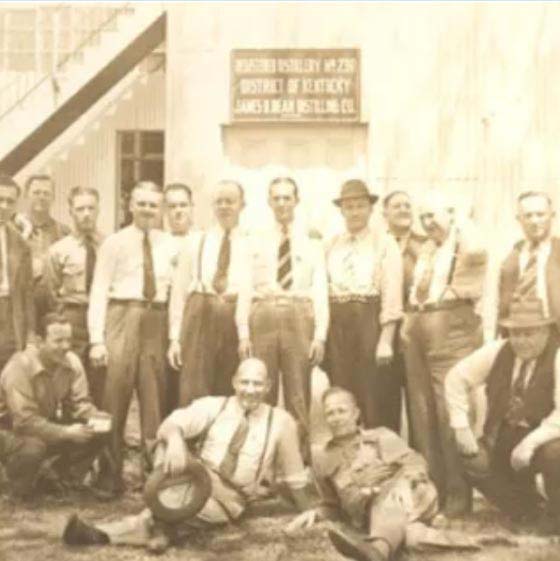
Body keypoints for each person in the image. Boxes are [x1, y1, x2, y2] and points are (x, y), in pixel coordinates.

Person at [62, 358, 310, 552]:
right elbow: (170, 424)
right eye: (245, 382)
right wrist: (176, 440)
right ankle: (162, 530)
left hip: (229, 496)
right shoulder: (215, 405)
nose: (250, 390)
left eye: (257, 384)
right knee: (164, 446)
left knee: (183, 507)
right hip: (197, 476)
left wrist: (309, 510)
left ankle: (105, 533)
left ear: (268, 386)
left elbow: (296, 477)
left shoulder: (281, 421)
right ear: (234, 382)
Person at [287, 386, 484, 561]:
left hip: (414, 495)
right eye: (330, 413)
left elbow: (415, 463)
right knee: (411, 538)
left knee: (390, 497)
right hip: (374, 515)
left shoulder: (380, 435)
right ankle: (480, 543)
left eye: (341, 411)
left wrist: (404, 484)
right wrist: (316, 512)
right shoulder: (323, 458)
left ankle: (376, 552)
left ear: (356, 413)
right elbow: (333, 505)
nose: (336, 418)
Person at [88, 180, 177, 494]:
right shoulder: (114, 242)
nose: (148, 210)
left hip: (156, 319)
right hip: (122, 315)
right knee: (115, 395)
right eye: (142, 203)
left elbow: (175, 293)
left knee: (154, 398)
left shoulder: (169, 244)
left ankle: (153, 477)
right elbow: (99, 289)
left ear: (160, 208)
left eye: (153, 205)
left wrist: (175, 335)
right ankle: (109, 475)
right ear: (130, 205)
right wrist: (97, 338)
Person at [403, 192, 487, 516]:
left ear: (450, 214)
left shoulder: (465, 241)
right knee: (421, 410)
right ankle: (432, 489)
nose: (427, 223)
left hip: (451, 321)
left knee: (448, 407)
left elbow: (478, 250)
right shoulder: (428, 248)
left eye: (433, 216)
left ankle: (458, 492)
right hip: (419, 321)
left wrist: (460, 217)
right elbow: (418, 289)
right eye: (422, 217)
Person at [446, 296, 560, 530]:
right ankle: (524, 510)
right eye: (515, 333)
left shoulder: (558, 357)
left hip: (542, 438)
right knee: (467, 454)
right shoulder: (498, 351)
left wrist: (528, 444)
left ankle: (556, 516)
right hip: (501, 437)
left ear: (546, 331)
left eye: (529, 333)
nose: (521, 341)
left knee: (554, 453)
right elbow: (455, 378)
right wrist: (461, 426)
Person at [247, 177, 328, 454]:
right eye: (276, 198)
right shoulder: (255, 238)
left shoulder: (311, 240)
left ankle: (299, 463)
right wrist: (243, 333)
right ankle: (261, 460)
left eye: (287, 198)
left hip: (298, 315)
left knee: (297, 393)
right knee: (260, 388)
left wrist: (320, 335)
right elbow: (246, 287)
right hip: (265, 315)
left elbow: (320, 289)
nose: (282, 203)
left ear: (296, 200)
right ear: (269, 202)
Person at [0, 313, 110, 498]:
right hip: (9, 431)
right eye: (58, 341)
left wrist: (98, 419)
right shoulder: (20, 366)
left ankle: (57, 478)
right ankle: (18, 488)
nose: (65, 347)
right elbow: (24, 422)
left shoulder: (71, 361)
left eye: (69, 340)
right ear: (39, 340)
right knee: (33, 448)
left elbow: (80, 403)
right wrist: (66, 432)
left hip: (43, 425)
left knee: (101, 429)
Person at [323, 180, 403, 429]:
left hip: (370, 322)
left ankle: (379, 458)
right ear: (342, 211)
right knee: (343, 392)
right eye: (349, 206)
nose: (355, 211)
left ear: (370, 209)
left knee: (374, 394)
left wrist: (386, 339)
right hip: (338, 324)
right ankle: (348, 458)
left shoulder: (384, 242)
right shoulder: (332, 244)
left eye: (360, 206)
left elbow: (392, 291)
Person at [168, 180, 251, 407]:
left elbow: (248, 289)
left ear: (242, 205)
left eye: (230, 201)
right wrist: (175, 337)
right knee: (194, 386)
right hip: (199, 314)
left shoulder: (249, 242)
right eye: (219, 202)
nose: (224, 207)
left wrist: (244, 334)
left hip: (231, 316)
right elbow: (179, 292)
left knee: (228, 385)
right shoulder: (196, 240)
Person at [45, 186, 105, 406]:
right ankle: (71, 434)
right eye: (80, 208)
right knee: (71, 374)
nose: (86, 213)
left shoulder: (109, 245)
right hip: (74, 317)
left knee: (102, 376)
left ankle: (100, 435)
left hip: (104, 319)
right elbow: (51, 294)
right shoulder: (59, 250)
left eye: (91, 207)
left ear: (98, 210)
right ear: (70, 210)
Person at [382, 190, 426, 434]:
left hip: (416, 333)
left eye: (407, 205)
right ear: (384, 213)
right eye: (397, 206)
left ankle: (421, 464)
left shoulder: (426, 245)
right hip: (382, 334)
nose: (403, 210)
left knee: (419, 404)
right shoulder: (375, 243)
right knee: (384, 400)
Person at [498, 191, 560, 332]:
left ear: (552, 216)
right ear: (519, 219)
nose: (534, 221)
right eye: (528, 216)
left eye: (540, 214)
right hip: (519, 336)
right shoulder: (513, 256)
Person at [14, 174, 70, 324]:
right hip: (18, 305)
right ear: (26, 195)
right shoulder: (13, 229)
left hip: (51, 306)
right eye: (36, 192)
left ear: (53, 197)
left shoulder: (64, 232)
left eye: (46, 193)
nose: (41, 197)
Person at [163, 182, 194, 413]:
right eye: (172, 206)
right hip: (161, 314)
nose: (178, 211)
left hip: (191, 315)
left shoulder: (202, 241)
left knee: (190, 377)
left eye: (183, 205)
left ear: (192, 207)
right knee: (163, 380)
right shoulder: (156, 242)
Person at [0, 174, 35, 373]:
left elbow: (27, 295)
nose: (4, 206)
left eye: (9, 202)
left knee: (8, 380)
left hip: (10, 319)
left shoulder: (21, 244)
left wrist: (30, 337)